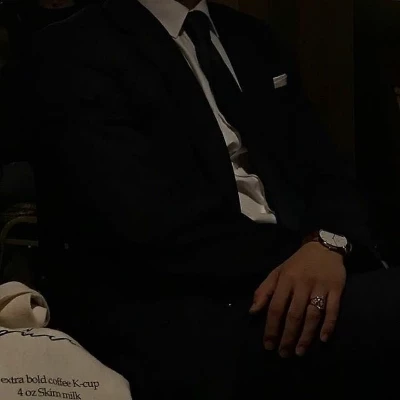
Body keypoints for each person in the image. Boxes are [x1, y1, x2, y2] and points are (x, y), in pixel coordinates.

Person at [1, 0, 400, 398]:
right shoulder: (73, 47)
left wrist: (328, 244)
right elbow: (146, 225)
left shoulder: (252, 36)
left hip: (303, 267)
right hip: (180, 306)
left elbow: (327, 169)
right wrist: (305, 254)